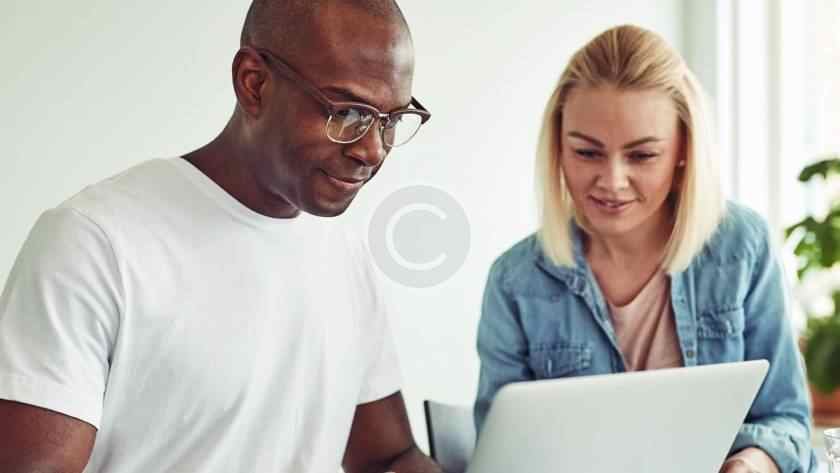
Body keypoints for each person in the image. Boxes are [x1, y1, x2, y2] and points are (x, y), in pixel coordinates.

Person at [0, 1, 442, 472]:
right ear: (254, 84)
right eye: (349, 112)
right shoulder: (94, 242)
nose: (372, 150)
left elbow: (387, 457)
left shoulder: (343, 254)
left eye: (392, 120)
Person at [474, 25, 817, 473]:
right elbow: (502, 457)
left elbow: (787, 421)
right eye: (587, 152)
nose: (612, 181)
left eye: (641, 156)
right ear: (558, 147)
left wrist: (749, 466)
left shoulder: (741, 247)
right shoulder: (516, 281)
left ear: (683, 151)